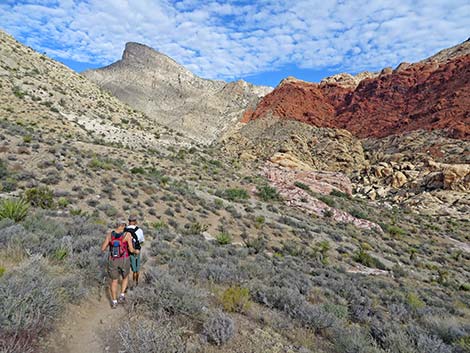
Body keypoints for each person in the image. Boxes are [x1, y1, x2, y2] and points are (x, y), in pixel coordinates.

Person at [101, 219, 139, 308]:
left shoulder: (110, 235)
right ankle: (122, 295)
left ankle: (114, 301)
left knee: (114, 281)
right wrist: (135, 251)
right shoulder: (127, 235)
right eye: (124, 225)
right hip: (124, 259)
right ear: (122, 225)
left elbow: (103, 248)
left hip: (112, 260)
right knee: (125, 277)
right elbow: (130, 249)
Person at [125, 214, 145, 289]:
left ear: (129, 221)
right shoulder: (139, 230)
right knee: (136, 269)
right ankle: (135, 284)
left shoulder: (124, 229)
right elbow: (142, 241)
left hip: (125, 251)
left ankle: (125, 285)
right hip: (135, 251)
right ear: (135, 221)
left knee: (125, 269)